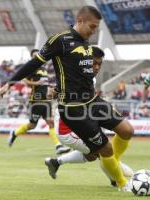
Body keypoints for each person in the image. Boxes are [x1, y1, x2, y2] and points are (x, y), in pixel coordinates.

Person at [0, 6, 133, 192]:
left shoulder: (86, 44)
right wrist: (9, 82)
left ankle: (113, 165)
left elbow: (73, 74)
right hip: (73, 108)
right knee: (105, 149)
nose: (93, 31)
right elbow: (35, 62)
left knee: (127, 130)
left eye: (96, 28)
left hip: (92, 101)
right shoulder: (60, 40)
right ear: (80, 20)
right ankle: (123, 185)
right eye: (92, 26)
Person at [44, 48, 134, 187]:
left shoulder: (90, 77)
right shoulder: (73, 75)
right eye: (93, 64)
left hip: (86, 119)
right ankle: (121, 180)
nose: (97, 67)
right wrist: (54, 92)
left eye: (99, 64)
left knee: (92, 155)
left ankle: (55, 162)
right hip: (68, 129)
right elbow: (58, 90)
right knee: (103, 151)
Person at [7, 49, 70, 155]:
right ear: (32, 57)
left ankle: (58, 146)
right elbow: (24, 80)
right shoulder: (32, 69)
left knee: (50, 122)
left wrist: (50, 89)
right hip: (36, 101)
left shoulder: (44, 69)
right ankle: (14, 133)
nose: (37, 57)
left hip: (46, 100)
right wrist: (36, 83)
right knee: (32, 125)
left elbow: (44, 84)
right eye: (35, 55)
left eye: (38, 55)